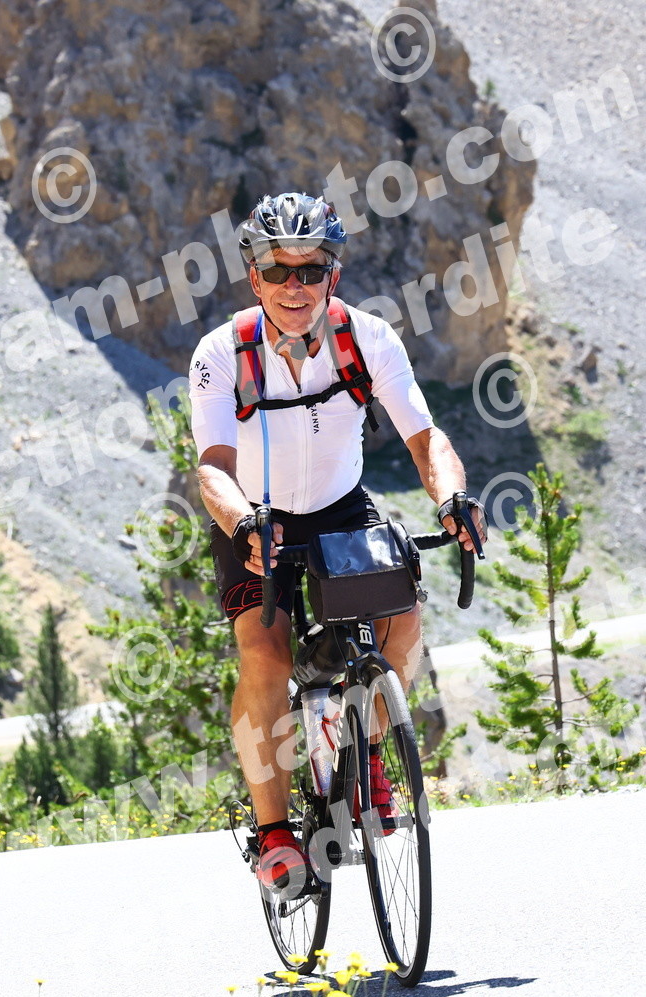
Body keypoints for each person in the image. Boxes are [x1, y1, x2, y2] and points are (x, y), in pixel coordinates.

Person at [187, 192, 485, 890]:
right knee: (265, 652)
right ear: (254, 277)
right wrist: (244, 523)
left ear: (334, 275)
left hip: (340, 506)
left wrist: (451, 498)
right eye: (277, 270)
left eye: (311, 270)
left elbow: (425, 439)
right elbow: (213, 468)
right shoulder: (221, 354)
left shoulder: (369, 339)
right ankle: (274, 835)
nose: (295, 286)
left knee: (403, 621)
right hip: (253, 518)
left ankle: (367, 753)